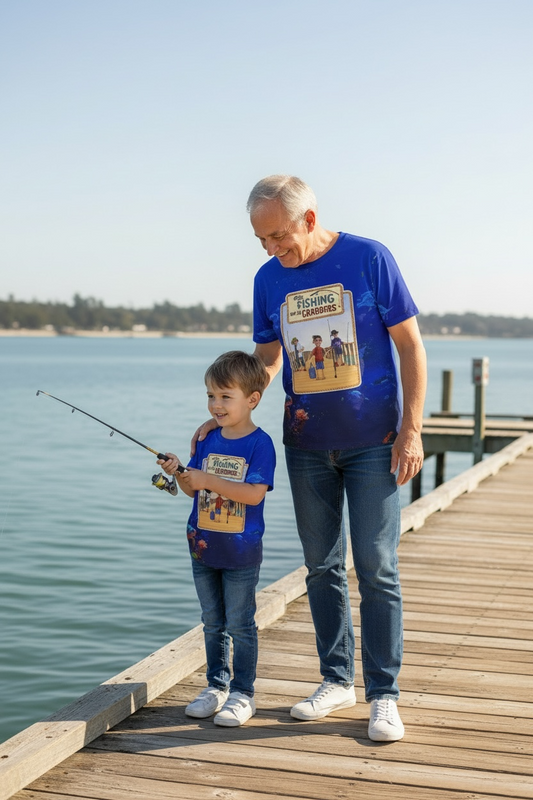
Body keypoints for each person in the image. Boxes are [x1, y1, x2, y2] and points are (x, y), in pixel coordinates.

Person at [194, 175, 427, 742]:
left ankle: (385, 694)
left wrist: (412, 431)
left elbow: (410, 346)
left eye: (279, 235)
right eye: (262, 240)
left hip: (375, 441)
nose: (273, 249)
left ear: (309, 218)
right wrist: (233, 414)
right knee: (322, 566)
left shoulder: (369, 258)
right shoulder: (268, 280)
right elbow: (267, 359)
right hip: (305, 445)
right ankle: (337, 679)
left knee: (376, 568)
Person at [159, 350, 276, 727]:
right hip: (202, 547)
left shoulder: (260, 444)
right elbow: (195, 490)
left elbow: (255, 493)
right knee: (212, 621)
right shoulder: (207, 439)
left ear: (252, 399)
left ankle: (243, 693)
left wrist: (208, 480)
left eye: (226, 396)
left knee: (240, 623)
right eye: (211, 396)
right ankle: (216, 686)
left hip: (241, 552)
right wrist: (181, 473)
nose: (216, 404)